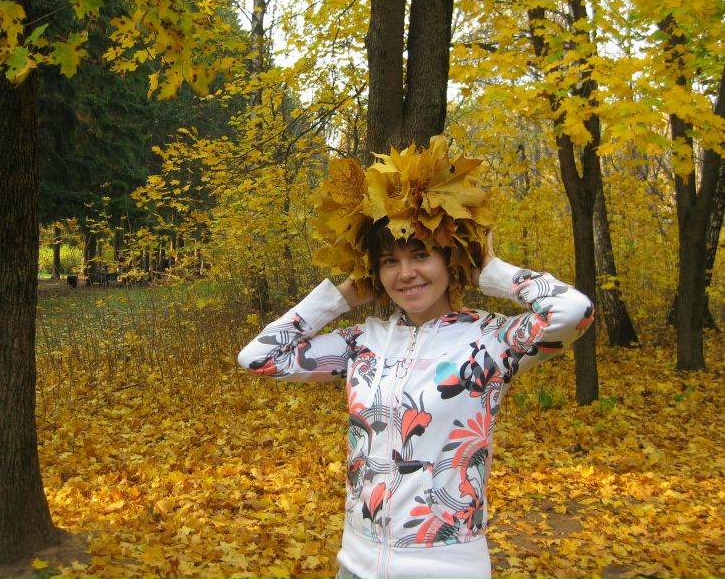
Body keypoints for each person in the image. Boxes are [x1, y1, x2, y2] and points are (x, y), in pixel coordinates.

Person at [237, 137, 594, 579]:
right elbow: (259, 357)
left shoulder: (492, 341)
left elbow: (574, 312)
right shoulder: (362, 343)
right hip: (355, 566)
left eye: (421, 255)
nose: (405, 273)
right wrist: (343, 296)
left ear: (449, 259)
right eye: (389, 261)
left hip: (446, 569)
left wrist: (488, 270)